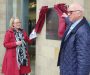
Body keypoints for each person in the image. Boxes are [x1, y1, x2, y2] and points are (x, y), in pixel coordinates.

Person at [57, 3, 90, 75]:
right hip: (66, 69)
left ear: (79, 13)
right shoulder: (74, 23)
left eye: (70, 12)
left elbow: (84, 60)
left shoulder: (83, 31)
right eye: (68, 12)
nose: (68, 14)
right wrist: (66, 17)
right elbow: (69, 22)